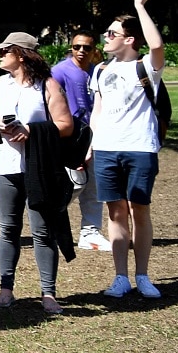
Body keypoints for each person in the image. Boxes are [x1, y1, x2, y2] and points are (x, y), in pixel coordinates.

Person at [0, 32, 76, 314]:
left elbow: (65, 124)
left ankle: (48, 293)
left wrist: (31, 131)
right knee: (8, 229)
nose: (0, 56)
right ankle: (5, 289)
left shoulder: (47, 85)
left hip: (39, 168)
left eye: (5, 51)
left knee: (43, 231)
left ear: (21, 54)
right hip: (4, 166)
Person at [89, 0, 166, 299]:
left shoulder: (147, 67)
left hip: (140, 147)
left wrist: (139, 7)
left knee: (139, 210)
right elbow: (98, 110)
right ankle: (120, 277)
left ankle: (143, 275)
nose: (105, 37)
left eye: (112, 33)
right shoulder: (100, 70)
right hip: (107, 148)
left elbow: (157, 45)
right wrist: (91, 144)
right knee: (116, 213)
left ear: (130, 39)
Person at [52, 29, 110, 251]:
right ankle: (50, 223)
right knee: (74, 183)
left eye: (87, 47)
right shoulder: (59, 72)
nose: (81, 51)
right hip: (70, 138)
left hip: (95, 135)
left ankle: (90, 232)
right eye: (77, 47)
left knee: (94, 187)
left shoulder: (97, 72)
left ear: (94, 49)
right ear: (71, 48)